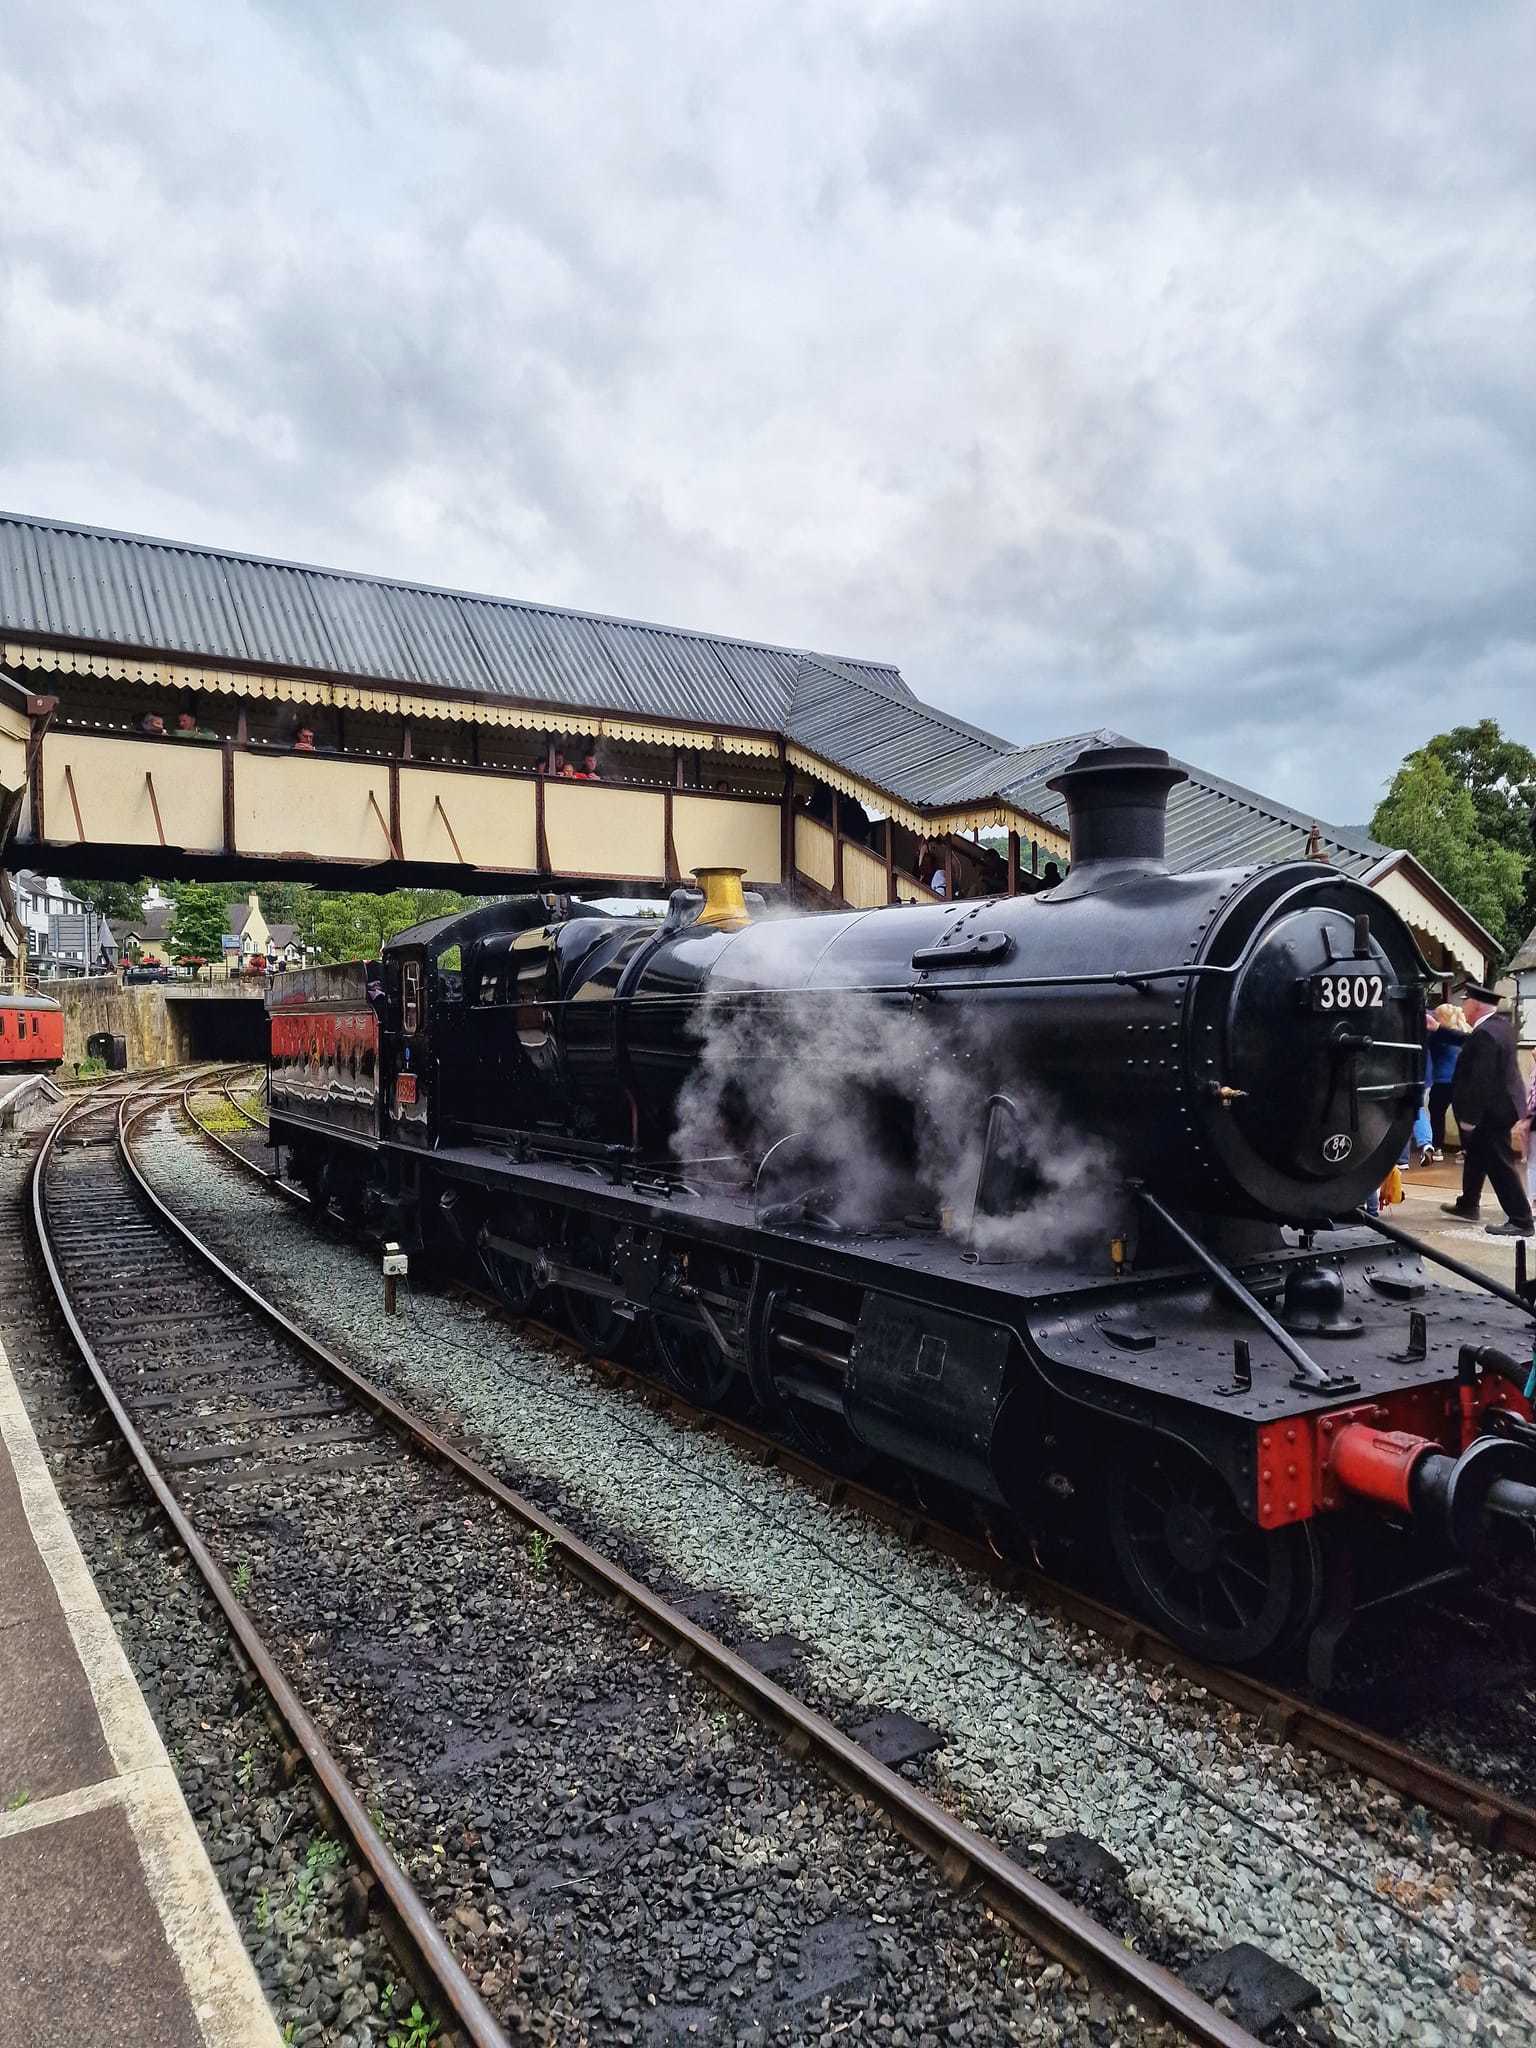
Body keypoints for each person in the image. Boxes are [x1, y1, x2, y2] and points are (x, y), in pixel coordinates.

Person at [1441, 982, 1534, 1238]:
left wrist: (1469, 1118)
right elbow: (1471, 1042)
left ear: (1476, 1005)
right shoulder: (1500, 1026)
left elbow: (1480, 1080)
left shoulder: (1486, 1034)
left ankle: (1521, 1219)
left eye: (1466, 1002)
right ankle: (1468, 1204)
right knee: (1476, 1155)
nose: (1463, 1007)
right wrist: (1439, 1028)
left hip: (1492, 1110)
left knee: (1499, 1162)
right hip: (1504, 1105)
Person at [1423, 1001, 1470, 1158]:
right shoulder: (1464, 1031)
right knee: (1461, 1116)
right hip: (1461, 1082)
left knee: (1436, 1114)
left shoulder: (1437, 1036)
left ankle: (1437, 1147)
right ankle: (1466, 1149)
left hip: (1442, 1081)